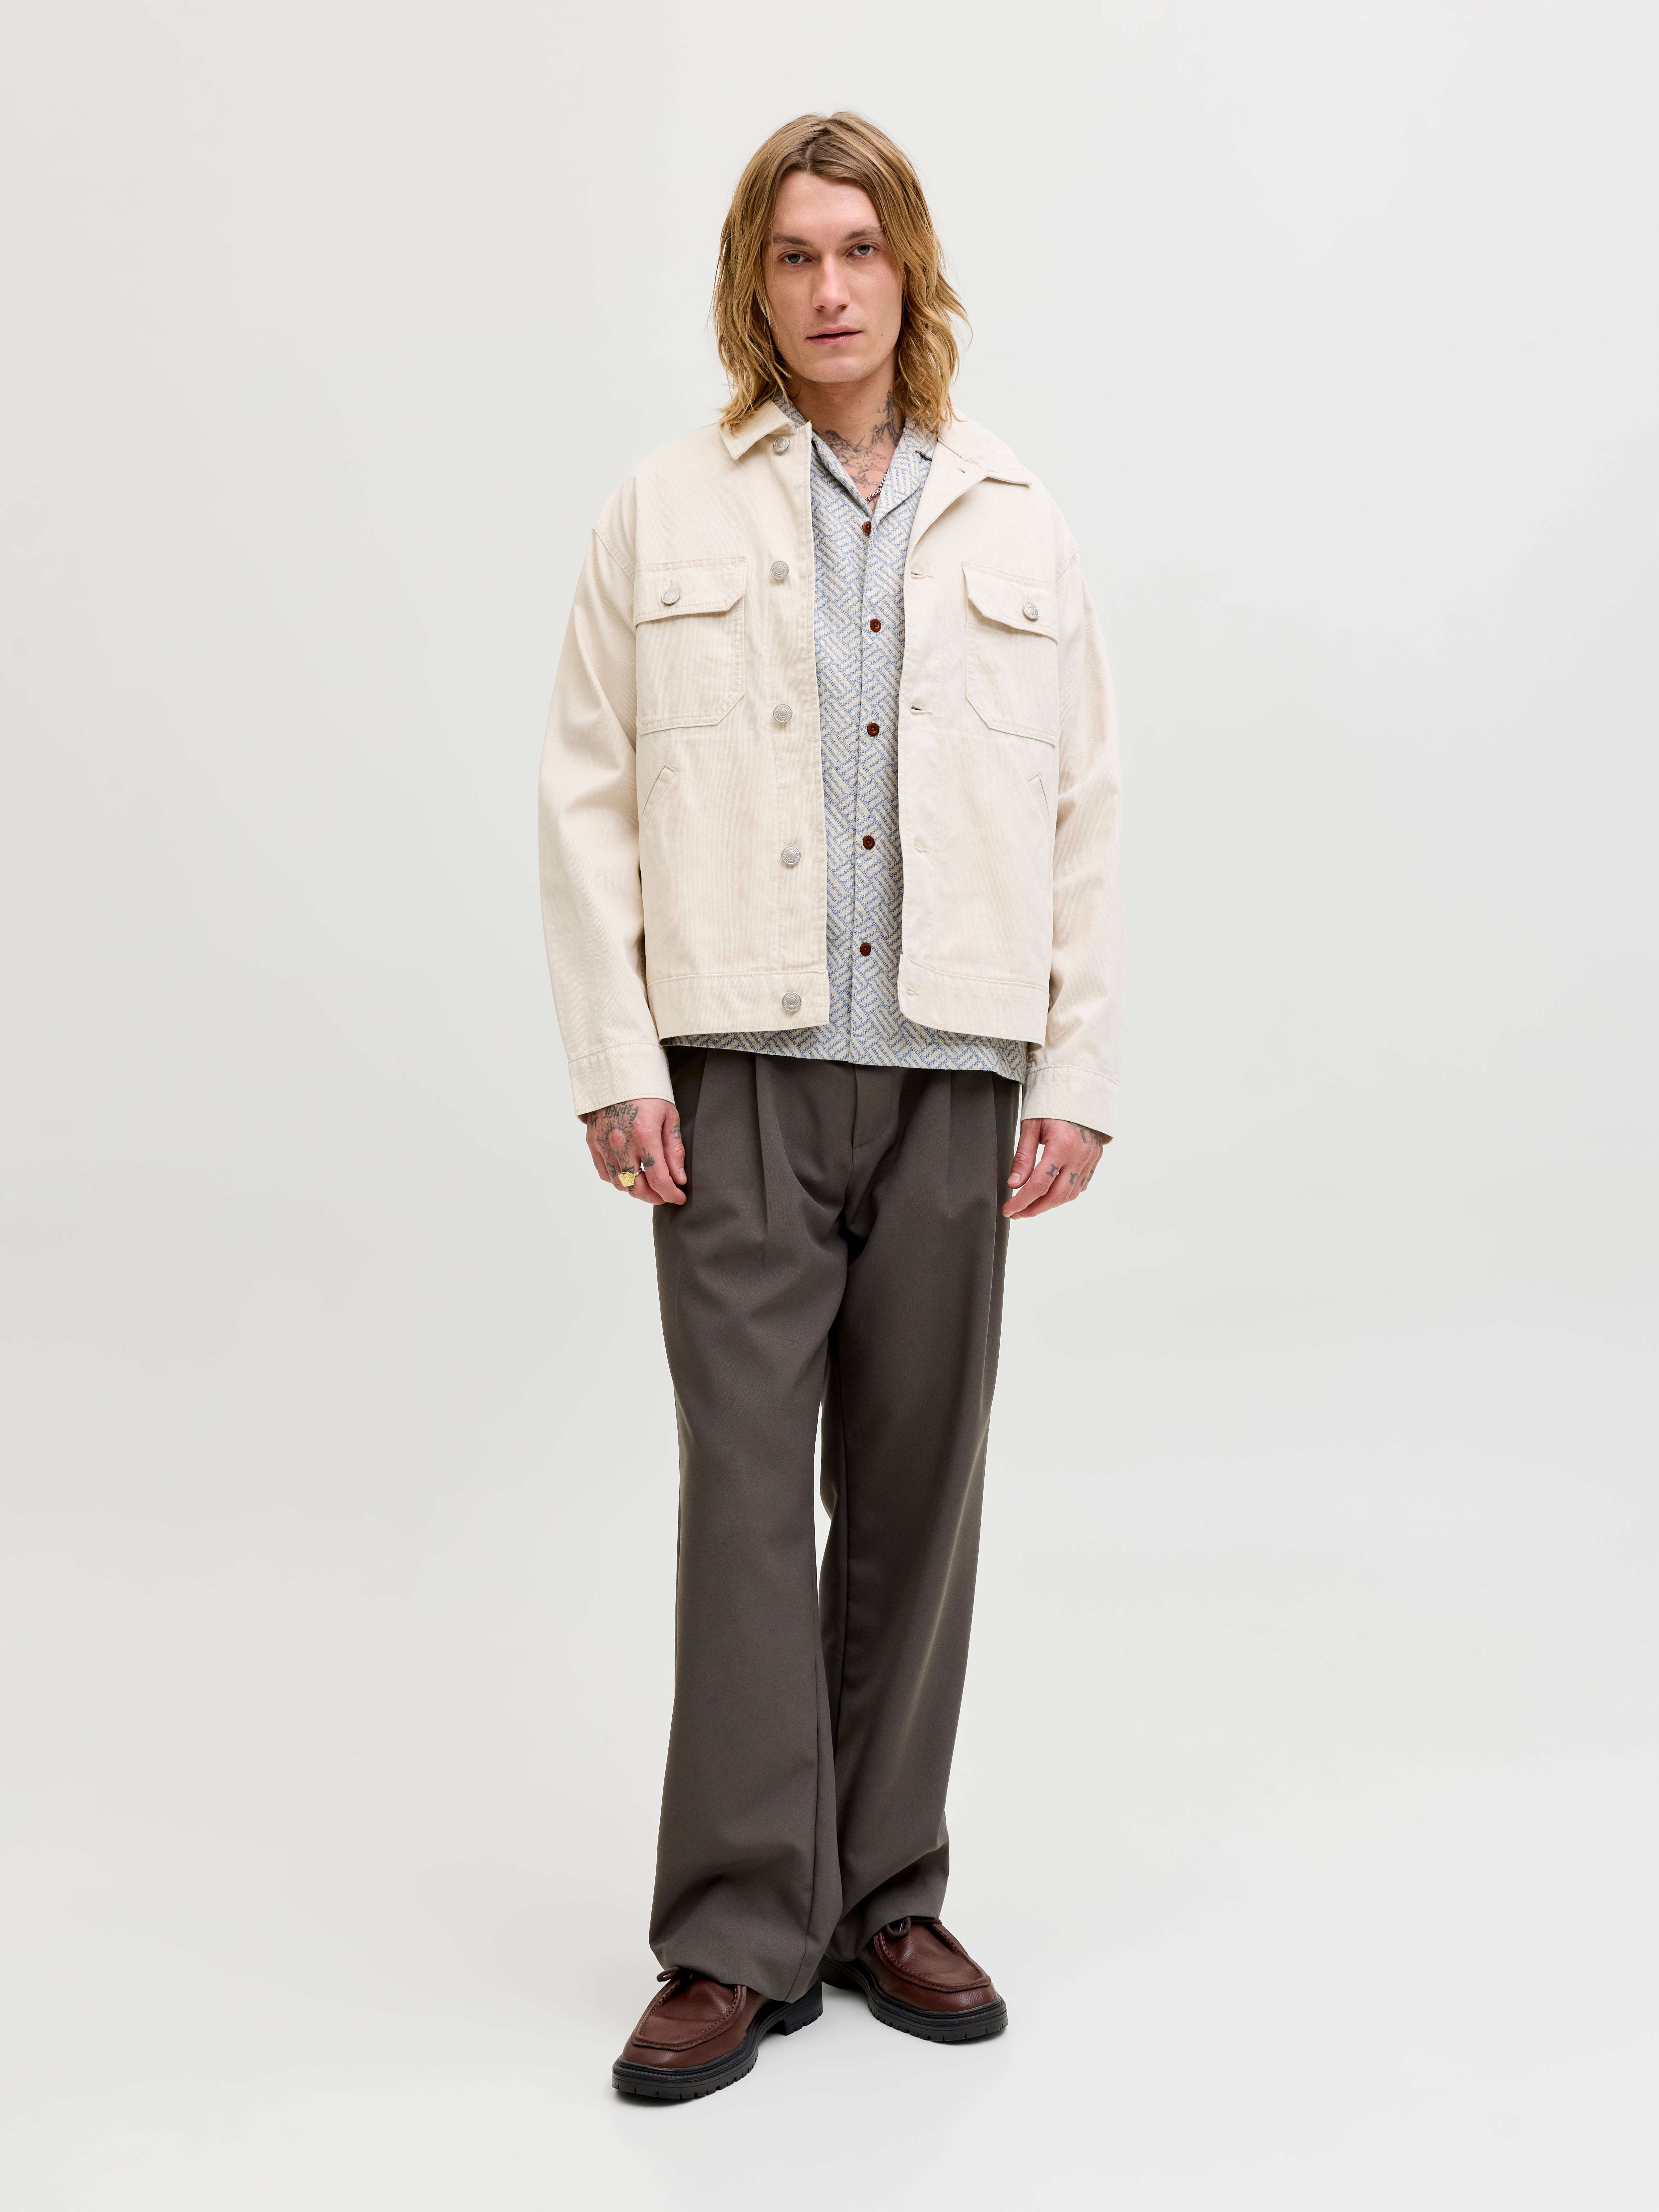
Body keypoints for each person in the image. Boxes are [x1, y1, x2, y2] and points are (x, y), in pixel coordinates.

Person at [538, 110, 1121, 2101]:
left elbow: (1085, 809)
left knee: (917, 1494)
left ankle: (884, 1895)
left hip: (953, 1069)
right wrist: (619, 1064)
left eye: (859, 250)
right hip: (743, 1074)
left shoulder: (1019, 521)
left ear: (909, 270)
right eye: (793, 256)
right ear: (755, 286)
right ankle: (731, 1932)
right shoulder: (665, 512)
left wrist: (1075, 1069)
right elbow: (586, 796)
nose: (830, 288)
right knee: (740, 1498)